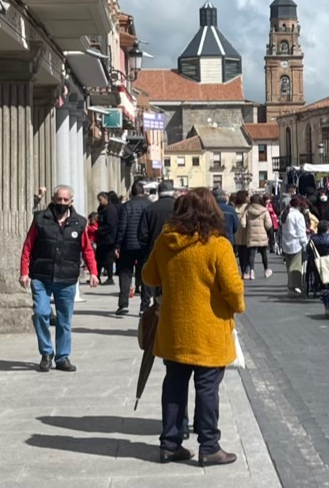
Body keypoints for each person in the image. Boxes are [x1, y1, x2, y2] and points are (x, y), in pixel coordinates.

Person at [141, 187, 243, 466]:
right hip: (209, 328)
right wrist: (236, 306)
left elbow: (148, 275)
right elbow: (233, 288)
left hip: (174, 328)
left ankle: (169, 443)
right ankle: (209, 445)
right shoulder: (218, 245)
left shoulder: (166, 241)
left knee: (174, 384)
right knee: (208, 387)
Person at [19, 185, 98, 372]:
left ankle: (62, 357)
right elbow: (28, 246)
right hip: (41, 275)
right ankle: (46, 352)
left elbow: (87, 249)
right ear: (53, 199)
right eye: (58, 199)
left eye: (65, 200)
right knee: (40, 313)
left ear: (71, 201)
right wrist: (24, 271)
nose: (61, 203)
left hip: (67, 278)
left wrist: (93, 271)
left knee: (64, 320)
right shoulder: (40, 219)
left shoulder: (79, 222)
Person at [138, 180, 177, 314]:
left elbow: (142, 234)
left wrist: (146, 247)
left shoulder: (149, 209)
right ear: (173, 192)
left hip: (152, 250)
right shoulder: (178, 209)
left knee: (151, 279)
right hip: (174, 251)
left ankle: (148, 305)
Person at [114, 181, 151, 316]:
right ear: (143, 192)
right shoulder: (149, 205)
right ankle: (144, 306)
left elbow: (122, 227)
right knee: (145, 275)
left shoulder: (126, 206)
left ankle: (123, 304)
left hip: (128, 245)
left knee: (125, 274)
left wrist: (117, 245)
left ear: (132, 193)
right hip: (144, 246)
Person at [281, 196, 308, 293]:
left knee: (289, 265)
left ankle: (290, 284)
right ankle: (295, 285)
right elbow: (301, 231)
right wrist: (304, 243)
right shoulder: (298, 215)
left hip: (286, 242)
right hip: (296, 243)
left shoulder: (285, 213)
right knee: (296, 266)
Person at [242, 194, 273, 279]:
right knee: (263, 253)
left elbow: (243, 223)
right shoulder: (264, 211)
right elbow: (268, 225)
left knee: (251, 254)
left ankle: (252, 271)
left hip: (251, 234)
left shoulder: (248, 210)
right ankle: (266, 270)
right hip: (262, 235)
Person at [95, 192, 119, 285]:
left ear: (106, 199)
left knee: (108, 259)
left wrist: (99, 230)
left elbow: (111, 225)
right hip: (102, 238)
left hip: (108, 238)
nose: (100, 202)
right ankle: (97, 276)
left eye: (101, 200)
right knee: (99, 258)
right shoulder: (101, 208)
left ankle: (110, 277)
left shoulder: (110, 209)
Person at [234, 191, 251, 275]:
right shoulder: (248, 207)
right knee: (247, 252)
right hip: (246, 231)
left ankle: (243, 269)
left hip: (237, 232)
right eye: (247, 197)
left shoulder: (235, 207)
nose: (249, 198)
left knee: (241, 252)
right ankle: (246, 269)